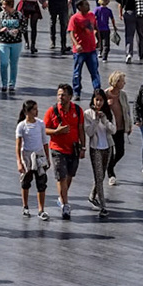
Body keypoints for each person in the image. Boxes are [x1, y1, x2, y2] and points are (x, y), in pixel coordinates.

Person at [44, 84, 85, 220]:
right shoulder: (52, 111)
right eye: (59, 94)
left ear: (70, 97)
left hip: (73, 148)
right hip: (57, 148)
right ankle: (65, 205)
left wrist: (83, 147)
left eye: (63, 95)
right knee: (61, 176)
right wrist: (56, 131)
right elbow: (44, 129)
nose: (60, 97)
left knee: (69, 175)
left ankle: (62, 197)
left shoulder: (78, 111)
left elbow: (80, 129)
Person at [14, 98, 51, 219]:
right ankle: (25, 206)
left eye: (36, 109)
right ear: (27, 111)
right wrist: (19, 162)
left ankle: (41, 209)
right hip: (27, 156)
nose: (36, 111)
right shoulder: (21, 126)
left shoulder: (40, 124)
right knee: (26, 181)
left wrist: (47, 157)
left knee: (41, 182)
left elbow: (45, 142)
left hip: (39, 155)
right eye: (34, 109)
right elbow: (18, 145)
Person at [83, 87, 115, 216]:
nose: (99, 103)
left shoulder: (108, 113)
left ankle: (92, 196)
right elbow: (89, 132)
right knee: (99, 177)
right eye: (97, 100)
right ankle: (103, 206)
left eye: (101, 100)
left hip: (107, 147)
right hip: (95, 148)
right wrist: (96, 120)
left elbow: (113, 130)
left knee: (101, 177)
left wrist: (104, 120)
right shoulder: (87, 114)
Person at [67, 0, 101, 96]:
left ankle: (97, 91)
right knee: (77, 72)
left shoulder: (91, 15)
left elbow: (95, 27)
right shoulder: (74, 18)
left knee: (94, 71)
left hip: (91, 49)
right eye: (85, 4)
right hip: (80, 51)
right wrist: (76, 44)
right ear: (80, 7)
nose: (88, 6)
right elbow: (71, 33)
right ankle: (77, 91)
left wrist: (98, 39)